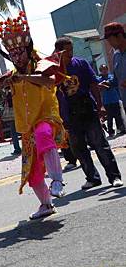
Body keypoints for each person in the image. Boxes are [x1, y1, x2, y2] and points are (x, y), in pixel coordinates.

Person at [0, 11, 66, 220]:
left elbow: (50, 81)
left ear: (27, 50)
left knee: (44, 134)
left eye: (20, 53)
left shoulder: (41, 63)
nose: (17, 57)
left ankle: (57, 180)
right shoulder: (12, 75)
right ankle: (46, 204)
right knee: (32, 175)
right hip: (27, 128)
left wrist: (23, 77)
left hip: (46, 117)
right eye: (13, 54)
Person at [54, 37, 123, 189]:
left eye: (71, 50)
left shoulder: (81, 63)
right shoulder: (53, 70)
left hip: (87, 108)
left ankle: (114, 177)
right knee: (78, 148)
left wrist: (100, 106)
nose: (70, 54)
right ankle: (92, 178)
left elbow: (93, 84)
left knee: (100, 144)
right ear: (58, 52)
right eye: (67, 51)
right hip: (68, 114)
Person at [97, 64, 126, 137]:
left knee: (118, 116)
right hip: (106, 101)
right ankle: (110, 131)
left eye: (105, 69)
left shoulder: (111, 76)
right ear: (100, 71)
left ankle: (121, 128)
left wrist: (104, 84)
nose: (104, 71)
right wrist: (105, 85)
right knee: (109, 117)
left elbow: (111, 83)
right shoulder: (99, 78)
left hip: (114, 99)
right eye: (102, 70)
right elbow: (99, 86)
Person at [102, 22, 126, 110]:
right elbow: (116, 79)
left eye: (110, 40)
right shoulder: (116, 56)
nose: (109, 43)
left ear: (119, 36)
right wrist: (108, 83)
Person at [3, 89, 22, 155]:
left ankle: (17, 149)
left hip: (12, 114)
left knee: (14, 133)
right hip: (18, 112)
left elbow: (10, 104)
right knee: (23, 131)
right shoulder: (15, 89)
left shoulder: (8, 93)